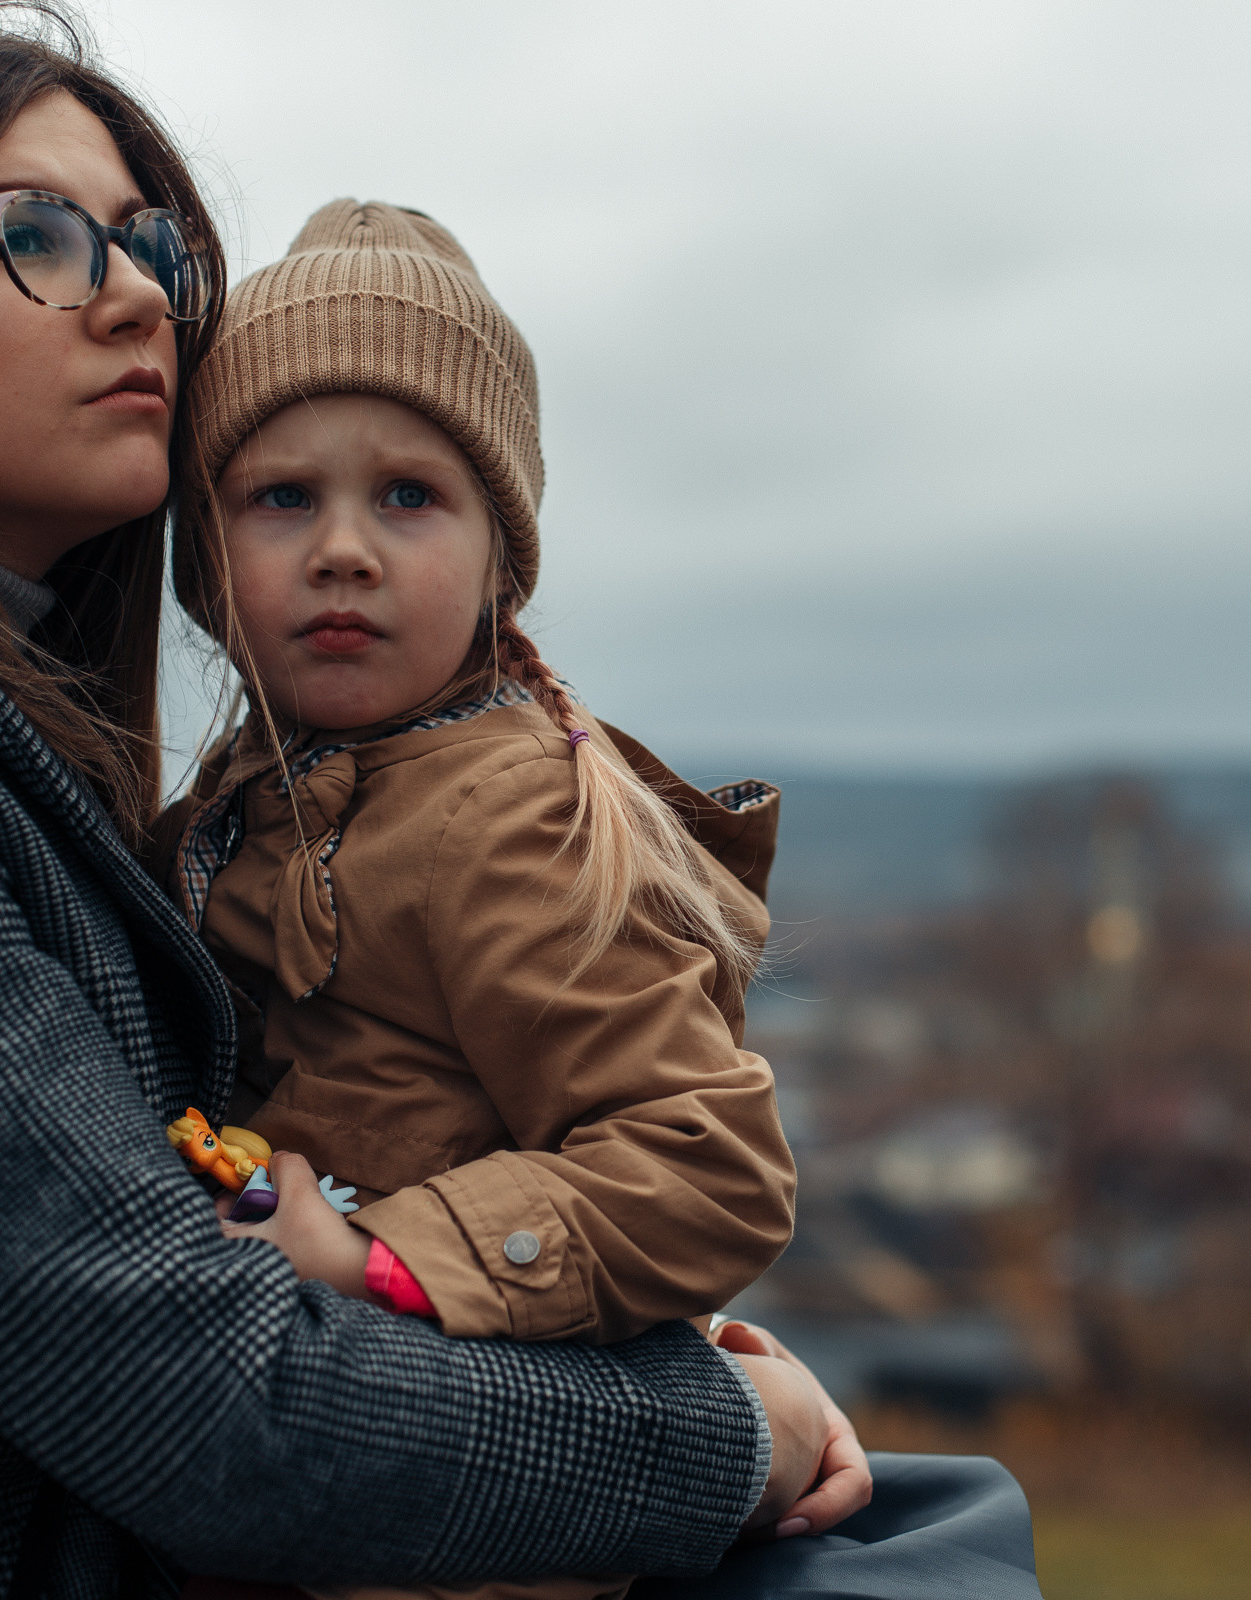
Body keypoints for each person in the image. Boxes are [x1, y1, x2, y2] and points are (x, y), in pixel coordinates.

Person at [0, 11, 835, 1595]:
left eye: (150, 245)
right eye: (31, 234)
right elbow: (214, 1409)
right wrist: (732, 1430)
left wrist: (578, 1305)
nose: (131, 296)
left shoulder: (25, 760)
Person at [152, 200, 801, 1600]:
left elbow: (710, 1162)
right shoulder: (238, 811)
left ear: (500, 555)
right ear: (207, 560)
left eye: (408, 495)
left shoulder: (506, 817)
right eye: (281, 497)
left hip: (479, 1519)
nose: (343, 549)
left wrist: (387, 1252)